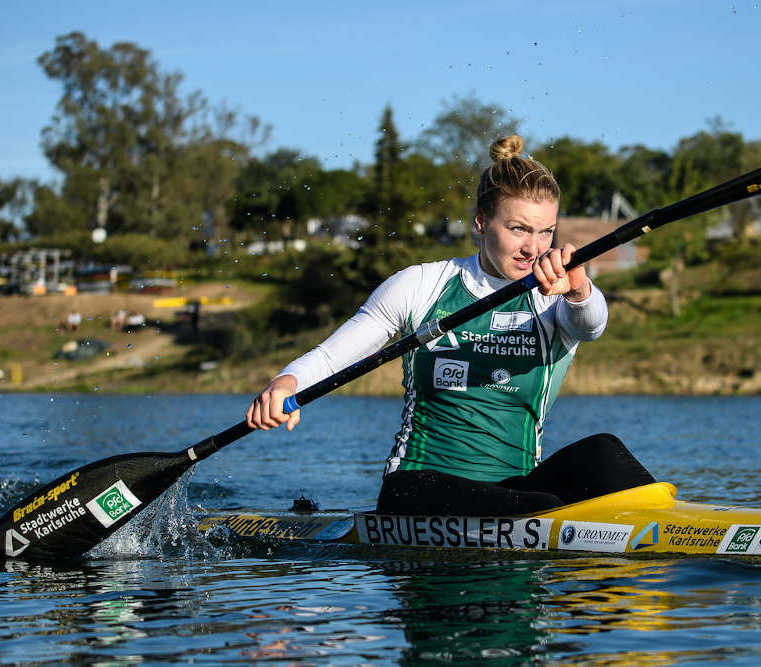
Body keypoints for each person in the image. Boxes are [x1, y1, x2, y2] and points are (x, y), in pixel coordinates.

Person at [246, 135, 654, 515]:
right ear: (480, 222)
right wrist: (286, 383)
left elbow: (591, 324)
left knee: (603, 450)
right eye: (518, 229)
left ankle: (667, 525)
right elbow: (334, 355)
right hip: (418, 490)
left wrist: (579, 289)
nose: (533, 248)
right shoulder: (421, 284)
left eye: (546, 231)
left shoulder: (558, 291)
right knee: (539, 503)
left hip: (519, 490)